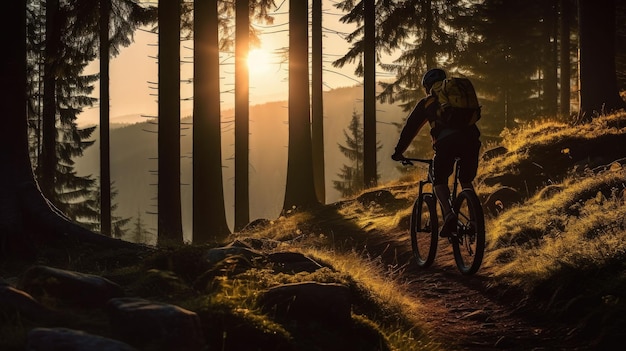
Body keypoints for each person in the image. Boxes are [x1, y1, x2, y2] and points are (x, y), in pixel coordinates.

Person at [391, 68, 481, 237]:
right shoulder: (457, 97)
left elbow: (411, 129)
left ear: (427, 86)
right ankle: (475, 221)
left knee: (439, 180)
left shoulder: (428, 102)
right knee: (466, 180)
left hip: (446, 143)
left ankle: (448, 215)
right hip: (471, 140)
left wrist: (398, 152)